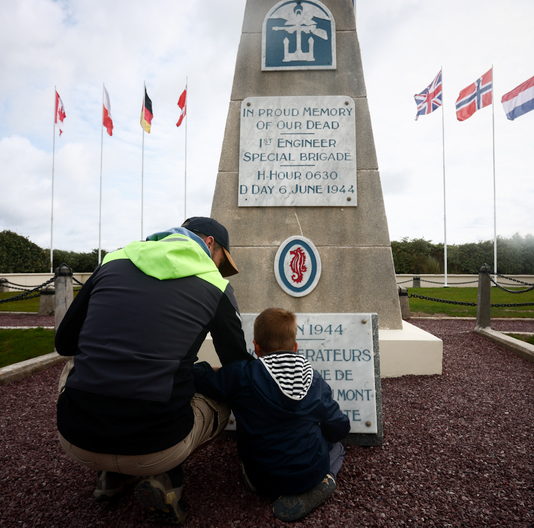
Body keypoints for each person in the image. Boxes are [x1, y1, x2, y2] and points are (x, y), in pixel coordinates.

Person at [55, 217, 253, 525]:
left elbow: (65, 342)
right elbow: (238, 367)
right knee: (219, 394)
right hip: (158, 447)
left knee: (77, 364)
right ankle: (166, 481)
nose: (219, 268)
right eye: (220, 261)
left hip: (75, 438)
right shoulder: (216, 285)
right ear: (210, 244)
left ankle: (111, 477)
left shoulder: (114, 260)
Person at [193, 308, 350, 523]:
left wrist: (207, 368)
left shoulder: (241, 374)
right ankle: (325, 480)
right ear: (295, 348)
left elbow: (201, 379)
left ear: (256, 347)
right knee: (337, 447)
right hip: (308, 475)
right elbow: (340, 426)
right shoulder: (314, 380)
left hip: (258, 477)